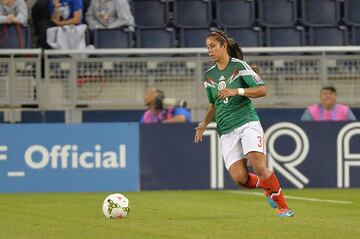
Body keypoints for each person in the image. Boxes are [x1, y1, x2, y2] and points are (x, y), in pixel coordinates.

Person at [194, 30, 294, 217]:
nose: (209, 50)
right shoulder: (208, 76)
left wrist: (236, 91)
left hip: (247, 121)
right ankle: (267, 188)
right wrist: (204, 123)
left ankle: (283, 207)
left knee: (258, 165)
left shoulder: (239, 66)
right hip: (225, 129)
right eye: (207, 47)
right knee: (240, 178)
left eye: (213, 46)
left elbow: (262, 90)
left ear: (224, 46)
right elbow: (213, 103)